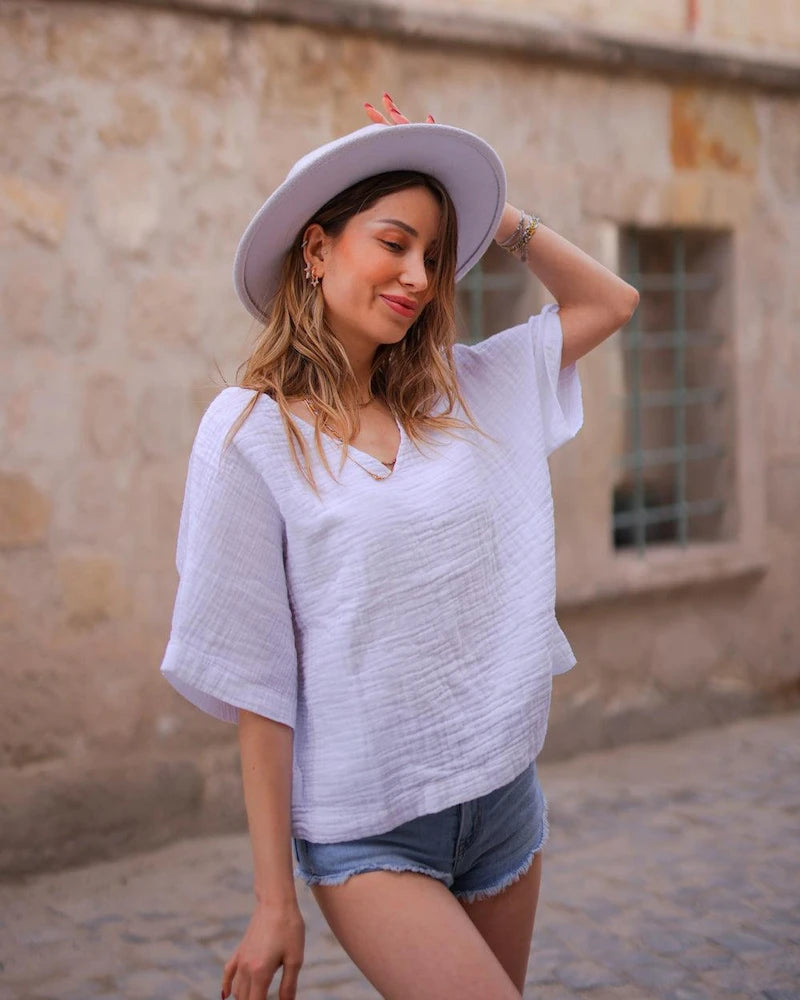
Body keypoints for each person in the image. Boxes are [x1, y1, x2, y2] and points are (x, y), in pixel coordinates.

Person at [160, 92, 638, 1000]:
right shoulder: (249, 436)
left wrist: (492, 212)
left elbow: (609, 300)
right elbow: (259, 677)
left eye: (434, 255)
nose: (418, 275)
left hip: (502, 797)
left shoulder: (466, 392)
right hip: (368, 826)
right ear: (316, 249)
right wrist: (273, 901)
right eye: (394, 242)